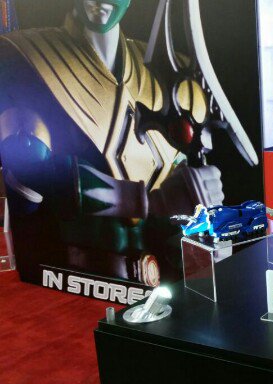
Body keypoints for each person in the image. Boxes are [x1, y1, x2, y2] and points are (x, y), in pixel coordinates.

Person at [0, 0, 225, 285]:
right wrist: (147, 201)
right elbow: (28, 173)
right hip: (77, 277)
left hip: (159, 278)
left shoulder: (169, 70)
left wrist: (204, 213)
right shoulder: (27, 56)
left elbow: (184, 193)